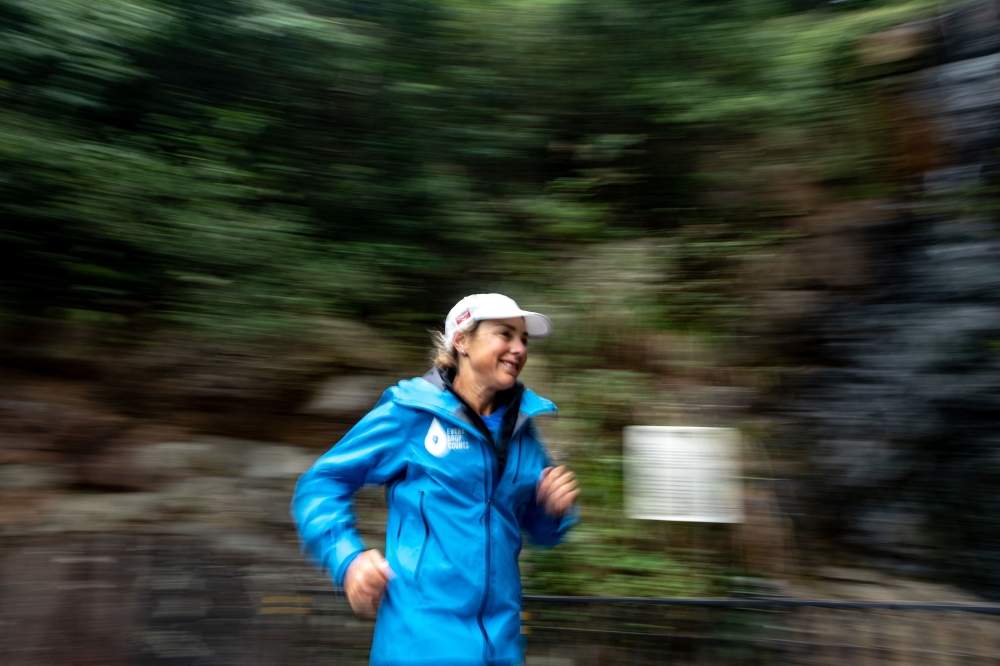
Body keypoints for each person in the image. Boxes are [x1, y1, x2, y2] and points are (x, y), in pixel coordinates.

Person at [291, 293, 579, 666]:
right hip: (421, 645)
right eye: (504, 334)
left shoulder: (524, 431)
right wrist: (349, 559)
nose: (519, 348)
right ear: (462, 341)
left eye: (523, 339)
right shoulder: (410, 415)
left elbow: (540, 532)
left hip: (503, 648)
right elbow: (321, 485)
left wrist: (552, 510)